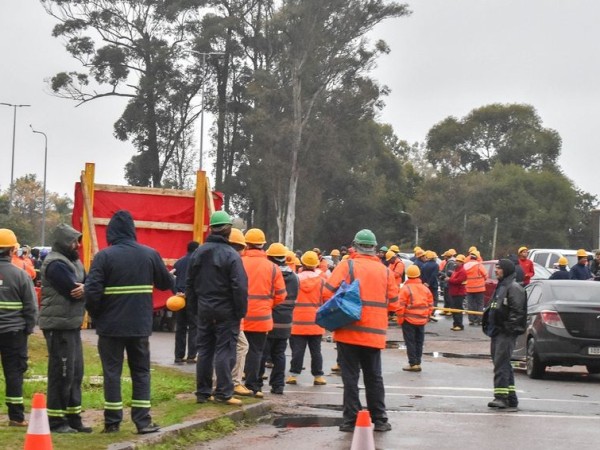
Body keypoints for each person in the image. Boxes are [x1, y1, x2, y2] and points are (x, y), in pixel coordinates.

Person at [85, 210, 174, 434]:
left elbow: (92, 292)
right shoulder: (150, 254)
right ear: (132, 230)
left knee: (112, 373)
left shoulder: (103, 257)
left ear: (112, 232)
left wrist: (97, 316)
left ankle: (112, 422)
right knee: (141, 372)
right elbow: (165, 283)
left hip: (110, 328)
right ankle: (143, 421)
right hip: (139, 327)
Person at [324, 229, 399, 433]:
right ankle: (380, 419)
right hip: (374, 334)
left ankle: (350, 420)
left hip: (348, 330)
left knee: (350, 377)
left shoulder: (347, 265)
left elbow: (326, 292)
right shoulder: (385, 271)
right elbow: (394, 303)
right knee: (374, 377)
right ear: (375, 248)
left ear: (354, 245)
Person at [186, 212, 248, 406]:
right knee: (225, 350)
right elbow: (239, 286)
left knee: (204, 350)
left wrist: (194, 308)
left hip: (204, 308)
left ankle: (203, 392)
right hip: (226, 311)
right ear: (228, 230)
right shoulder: (231, 255)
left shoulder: (199, 252)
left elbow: (190, 283)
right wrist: (240, 311)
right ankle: (223, 392)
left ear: (210, 228)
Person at [39, 224, 91, 433]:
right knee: (61, 372)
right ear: (63, 242)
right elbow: (72, 290)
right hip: (58, 325)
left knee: (75, 372)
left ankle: (73, 417)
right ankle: (56, 421)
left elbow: (86, 284)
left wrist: (87, 287)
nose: (77, 245)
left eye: (78, 240)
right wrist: (86, 288)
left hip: (71, 323)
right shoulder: (55, 264)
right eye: (73, 241)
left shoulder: (74, 261)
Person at [241, 228, 287, 398]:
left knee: (237, 349)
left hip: (241, 315)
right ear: (262, 246)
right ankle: (253, 385)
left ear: (246, 244)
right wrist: (267, 305)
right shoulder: (273, 268)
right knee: (256, 351)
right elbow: (281, 295)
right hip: (262, 317)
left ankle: (235, 383)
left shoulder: (239, 262)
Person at [0, 229, 38, 427]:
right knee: (14, 373)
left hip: (13, 331)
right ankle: (16, 417)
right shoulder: (20, 275)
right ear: (11, 251)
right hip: (14, 333)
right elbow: (31, 306)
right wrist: (29, 328)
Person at [482, 259, 526, 410]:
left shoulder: (514, 288)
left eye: (499, 268)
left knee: (501, 364)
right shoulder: (501, 287)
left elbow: (517, 312)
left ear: (506, 270)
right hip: (497, 331)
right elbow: (495, 307)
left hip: (505, 333)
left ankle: (501, 397)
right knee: (502, 364)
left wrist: (509, 328)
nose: (496, 270)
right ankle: (511, 397)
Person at [260, 243, 298, 394]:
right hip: (286, 321)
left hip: (269, 319)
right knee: (279, 354)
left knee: (262, 353)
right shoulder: (294, 277)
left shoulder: (270, 273)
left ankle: (256, 384)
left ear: (269, 257)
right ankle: (278, 385)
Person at [287, 251, 327, 387]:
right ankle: (318, 376)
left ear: (302, 263)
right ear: (316, 264)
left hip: (297, 322)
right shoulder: (321, 281)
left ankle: (293, 375)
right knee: (316, 351)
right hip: (316, 322)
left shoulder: (296, 279)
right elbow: (327, 299)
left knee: (297, 351)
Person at [227, 228, 253, 397]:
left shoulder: (207, 254)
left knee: (214, 348)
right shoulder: (236, 261)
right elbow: (239, 288)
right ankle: (234, 382)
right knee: (241, 346)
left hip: (208, 311)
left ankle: (210, 385)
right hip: (230, 314)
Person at [397, 265, 434, 371]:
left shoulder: (405, 289)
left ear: (408, 276)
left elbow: (400, 306)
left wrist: (400, 320)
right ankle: (418, 362)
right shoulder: (425, 289)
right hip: (421, 320)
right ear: (419, 275)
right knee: (419, 342)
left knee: (410, 342)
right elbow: (430, 304)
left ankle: (413, 364)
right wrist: (427, 316)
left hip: (408, 320)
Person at [172, 241, 200, 365]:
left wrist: (176, 291)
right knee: (194, 327)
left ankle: (178, 356)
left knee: (181, 327)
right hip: (192, 298)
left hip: (179, 299)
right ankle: (191, 356)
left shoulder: (179, 262)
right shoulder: (198, 262)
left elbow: (173, 276)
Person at [464, 252, 487, 326]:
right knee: (480, 304)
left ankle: (471, 320)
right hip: (479, 288)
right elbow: (486, 275)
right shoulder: (479, 265)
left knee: (470, 304)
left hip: (469, 288)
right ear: (476, 258)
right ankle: (479, 320)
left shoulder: (465, 266)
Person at [447, 254, 467, 331]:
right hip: (453, 292)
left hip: (459, 293)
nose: (457, 262)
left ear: (462, 263)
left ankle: (459, 324)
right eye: (457, 261)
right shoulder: (456, 270)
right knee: (454, 309)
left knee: (458, 309)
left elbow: (458, 281)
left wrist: (449, 280)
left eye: (459, 261)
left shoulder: (462, 271)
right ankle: (455, 324)